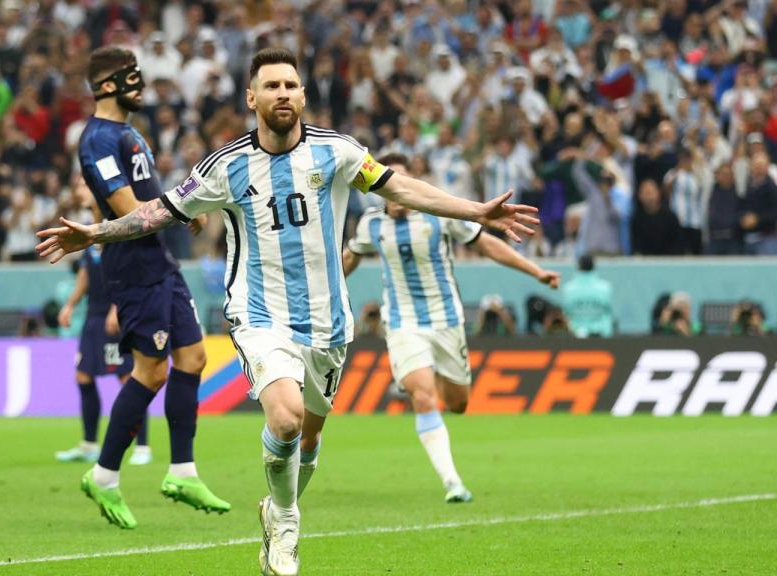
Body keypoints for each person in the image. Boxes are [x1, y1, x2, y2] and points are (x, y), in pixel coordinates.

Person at [35, 48, 538, 575]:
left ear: (302, 96)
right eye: (271, 86)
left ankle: (276, 510)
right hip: (260, 317)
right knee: (286, 415)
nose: (283, 94)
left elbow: (401, 186)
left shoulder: (339, 153)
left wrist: (475, 209)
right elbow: (159, 212)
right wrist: (95, 232)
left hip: (328, 322)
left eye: (290, 85)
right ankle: (289, 524)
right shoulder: (224, 167)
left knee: (310, 439)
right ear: (252, 98)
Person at [61, 46, 228, 530]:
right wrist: (178, 210)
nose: (139, 84)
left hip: (160, 258)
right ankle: (104, 475)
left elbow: (150, 200)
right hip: (133, 264)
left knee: (193, 358)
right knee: (151, 372)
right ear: (105, 86)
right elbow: (128, 209)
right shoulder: (96, 140)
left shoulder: (129, 133)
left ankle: (182, 471)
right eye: (129, 77)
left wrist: (181, 211)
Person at [342, 153, 558, 505]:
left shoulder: (440, 215)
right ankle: (452, 481)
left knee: (457, 402)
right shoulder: (371, 224)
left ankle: (426, 376)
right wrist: (322, 284)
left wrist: (535, 271)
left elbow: (486, 243)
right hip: (401, 322)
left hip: (447, 321)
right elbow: (351, 255)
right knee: (423, 395)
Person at [56, 242, 152, 466]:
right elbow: (84, 275)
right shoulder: (91, 236)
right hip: (93, 319)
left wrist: (117, 308)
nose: (88, 205)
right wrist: (70, 304)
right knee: (83, 377)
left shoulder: (117, 232)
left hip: (117, 319)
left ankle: (142, 446)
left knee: (129, 380)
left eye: (91, 204)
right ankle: (89, 444)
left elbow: (130, 275)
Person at [561, 254, 614, 337]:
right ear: (594, 267)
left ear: (578, 267)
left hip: (575, 338)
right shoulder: (605, 288)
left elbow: (566, 314)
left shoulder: (568, 289)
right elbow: (608, 314)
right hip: (600, 338)